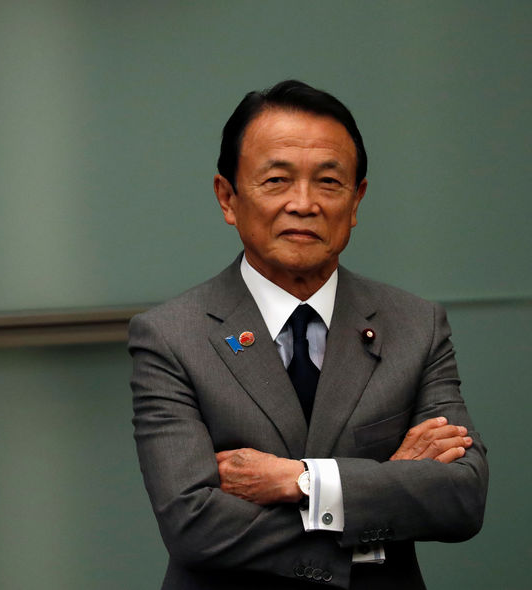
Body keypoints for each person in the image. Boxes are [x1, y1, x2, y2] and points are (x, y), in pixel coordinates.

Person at [128, 80, 488, 590]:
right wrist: (380, 491)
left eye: (328, 182)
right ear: (227, 198)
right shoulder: (170, 336)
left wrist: (296, 480)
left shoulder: (416, 325)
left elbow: (461, 498)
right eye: (276, 180)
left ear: (356, 199)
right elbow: (195, 526)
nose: (304, 203)